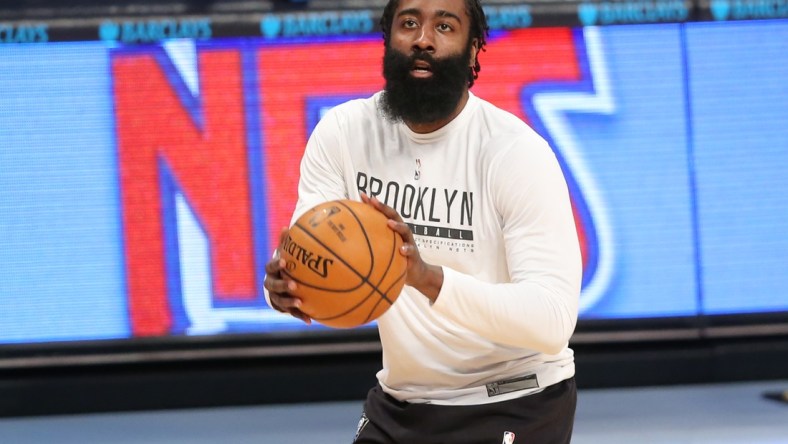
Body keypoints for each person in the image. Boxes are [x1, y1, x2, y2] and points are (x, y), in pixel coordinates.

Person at [263, 0, 582, 442]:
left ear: (473, 52)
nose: (423, 39)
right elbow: (309, 252)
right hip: (402, 401)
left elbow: (551, 320)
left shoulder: (515, 154)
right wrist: (287, 286)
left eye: (445, 26)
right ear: (387, 39)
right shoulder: (343, 133)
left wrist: (425, 277)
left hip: (512, 400)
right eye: (408, 23)